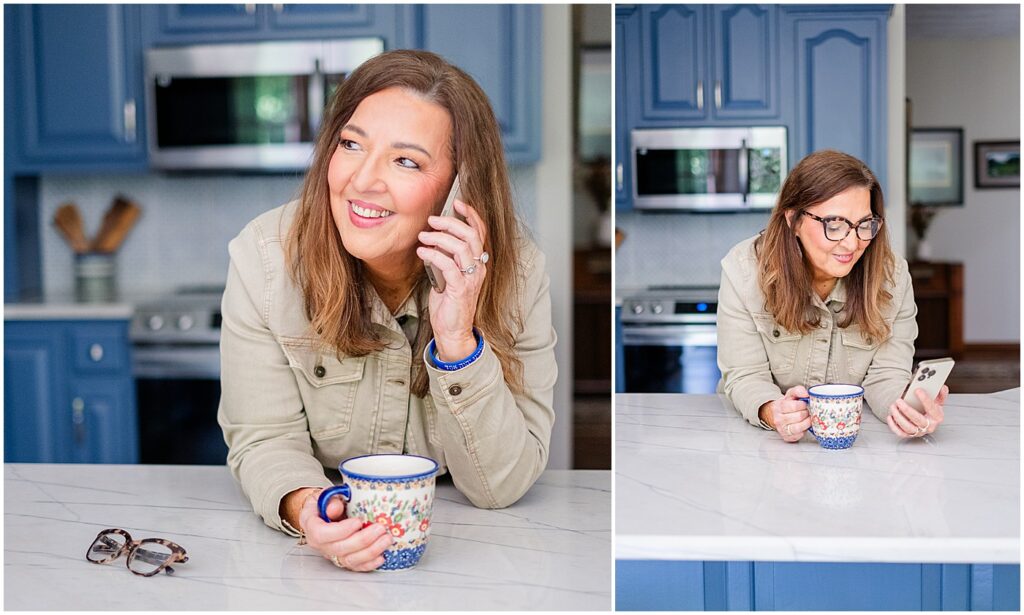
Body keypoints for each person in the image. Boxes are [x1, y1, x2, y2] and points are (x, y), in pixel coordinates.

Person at [217, 50, 556, 572]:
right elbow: (264, 439)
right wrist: (313, 510)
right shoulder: (265, 259)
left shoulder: (519, 275)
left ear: (458, 189)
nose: (361, 181)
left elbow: (501, 487)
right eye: (350, 145)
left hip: (473, 562)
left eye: (406, 161)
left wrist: (457, 337)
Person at [716, 149, 948, 442]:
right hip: (758, 444)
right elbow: (745, 375)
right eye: (834, 225)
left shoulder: (893, 276)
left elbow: (886, 374)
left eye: (865, 224)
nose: (852, 243)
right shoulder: (743, 270)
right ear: (793, 220)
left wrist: (906, 408)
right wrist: (773, 411)